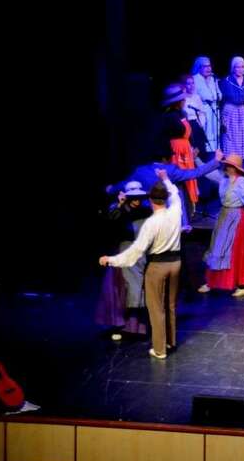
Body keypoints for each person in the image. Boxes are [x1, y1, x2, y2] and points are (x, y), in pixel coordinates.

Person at [99, 171, 183, 360]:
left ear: (150, 200)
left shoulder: (151, 221)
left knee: (156, 307)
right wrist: (166, 179)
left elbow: (136, 251)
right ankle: (169, 341)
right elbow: (176, 195)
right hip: (173, 263)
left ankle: (160, 349)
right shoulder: (175, 211)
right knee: (166, 304)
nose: (138, 202)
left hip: (155, 263)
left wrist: (111, 260)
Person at [106, 146, 224, 229]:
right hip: (165, 213)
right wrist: (216, 161)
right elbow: (196, 173)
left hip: (146, 213)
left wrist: (111, 189)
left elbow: (124, 184)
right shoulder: (170, 170)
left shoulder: (140, 170)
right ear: (164, 158)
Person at [95, 181, 152, 340]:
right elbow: (110, 220)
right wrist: (119, 205)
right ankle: (121, 325)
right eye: (133, 198)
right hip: (122, 253)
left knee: (137, 289)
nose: (136, 201)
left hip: (140, 254)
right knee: (120, 290)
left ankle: (137, 328)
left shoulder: (145, 211)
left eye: (139, 198)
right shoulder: (118, 209)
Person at [198, 154, 244, 296]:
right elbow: (209, 173)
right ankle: (212, 281)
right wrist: (197, 160)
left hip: (237, 217)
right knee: (217, 247)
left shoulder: (241, 181)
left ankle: (238, 284)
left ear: (234, 168)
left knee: (233, 250)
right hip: (224, 215)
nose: (225, 167)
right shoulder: (223, 179)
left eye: (228, 165)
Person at [161, 83, 199, 216]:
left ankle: (190, 209)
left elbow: (189, 131)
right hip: (176, 152)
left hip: (186, 149)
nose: (184, 101)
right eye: (182, 99)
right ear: (176, 102)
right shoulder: (168, 117)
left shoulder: (182, 113)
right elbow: (164, 137)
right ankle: (182, 211)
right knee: (181, 179)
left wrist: (193, 146)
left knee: (189, 178)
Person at [220, 56, 244, 169]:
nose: (240, 69)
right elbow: (221, 100)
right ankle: (231, 165)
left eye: (242, 67)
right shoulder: (226, 81)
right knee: (231, 139)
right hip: (231, 112)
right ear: (233, 68)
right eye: (238, 67)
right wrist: (223, 118)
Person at [191, 56, 222, 153]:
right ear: (199, 67)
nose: (208, 68)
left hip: (214, 110)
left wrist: (216, 96)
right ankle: (207, 157)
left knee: (215, 134)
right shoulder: (195, 79)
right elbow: (194, 97)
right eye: (205, 66)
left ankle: (216, 155)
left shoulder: (213, 79)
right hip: (203, 111)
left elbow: (219, 95)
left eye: (209, 66)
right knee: (206, 134)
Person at [180, 74, 209, 154]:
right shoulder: (182, 99)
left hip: (196, 125)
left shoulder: (197, 97)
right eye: (188, 83)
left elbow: (202, 112)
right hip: (186, 126)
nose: (191, 85)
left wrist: (201, 124)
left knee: (201, 148)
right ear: (184, 85)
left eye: (193, 83)